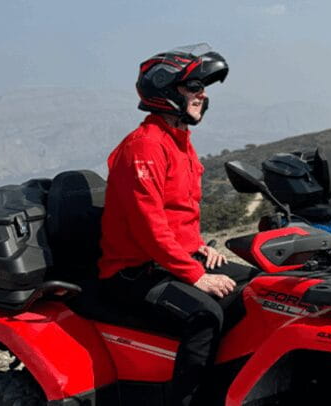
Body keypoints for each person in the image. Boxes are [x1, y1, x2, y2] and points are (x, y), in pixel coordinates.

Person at [98, 44, 239, 406]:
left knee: (255, 292)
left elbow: (179, 213)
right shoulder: (143, 147)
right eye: (193, 87)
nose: (202, 96)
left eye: (203, 89)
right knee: (204, 314)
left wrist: (199, 245)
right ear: (164, 91)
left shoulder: (179, 142)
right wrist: (195, 274)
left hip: (169, 258)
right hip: (134, 271)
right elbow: (148, 225)